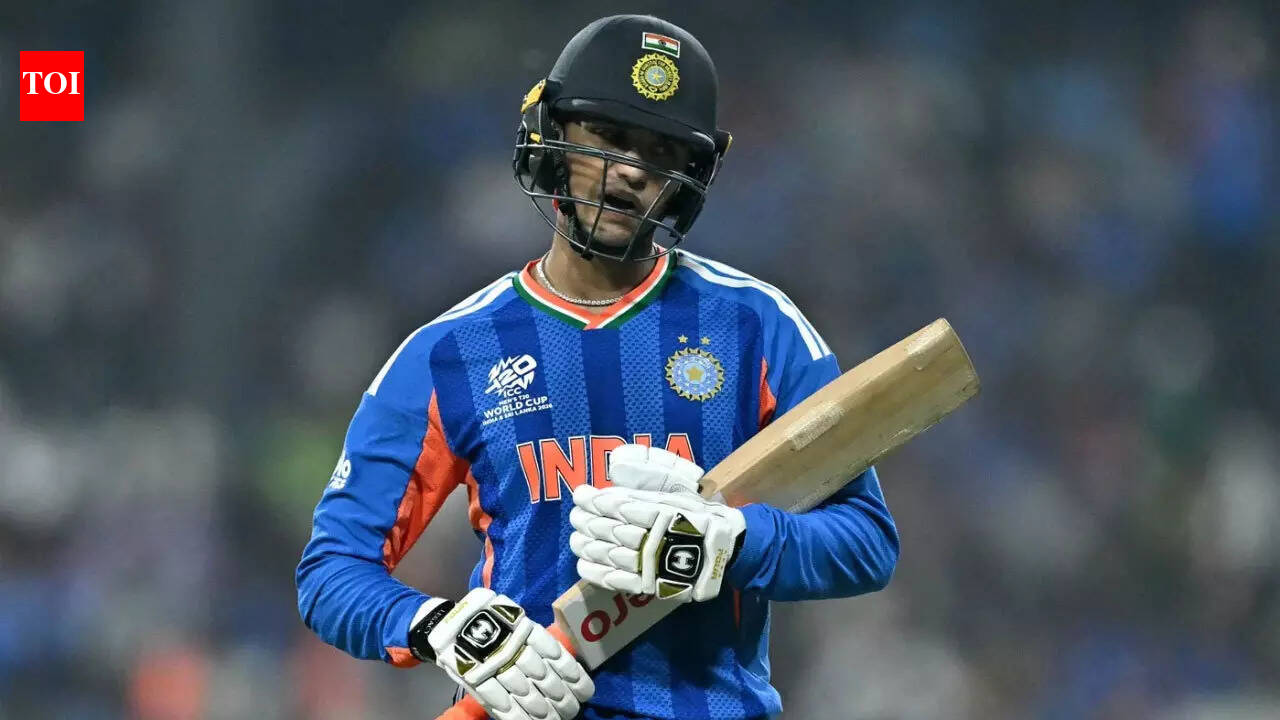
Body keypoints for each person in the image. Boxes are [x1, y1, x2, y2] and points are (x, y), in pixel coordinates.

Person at [296, 14, 899, 720]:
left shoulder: (757, 326)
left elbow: (866, 541)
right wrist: (442, 627)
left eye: (662, 152)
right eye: (609, 137)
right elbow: (331, 570)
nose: (633, 172)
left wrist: (729, 544)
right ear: (552, 138)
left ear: (689, 178)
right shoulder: (449, 351)